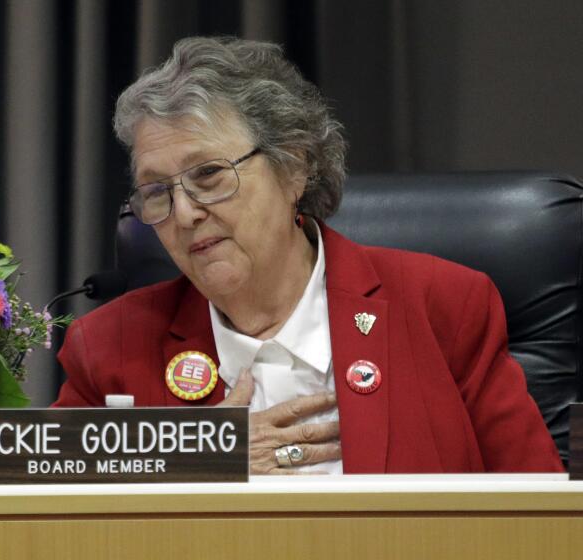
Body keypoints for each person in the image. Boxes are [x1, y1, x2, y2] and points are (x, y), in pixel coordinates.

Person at [53, 36, 563, 474]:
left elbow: (543, 518)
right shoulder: (109, 346)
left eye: (208, 175)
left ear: (294, 168)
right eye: (157, 191)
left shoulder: (443, 307)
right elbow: (36, 502)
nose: (184, 213)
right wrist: (196, 459)